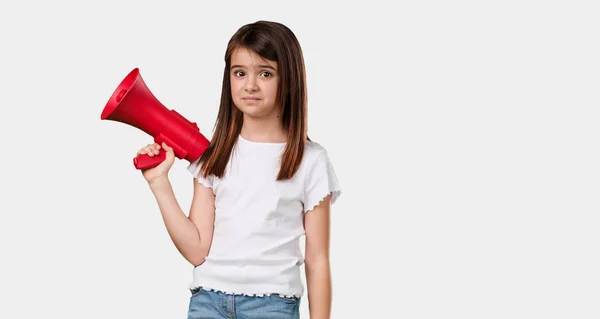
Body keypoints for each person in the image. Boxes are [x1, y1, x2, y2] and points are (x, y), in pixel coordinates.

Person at [136, 20, 341, 319]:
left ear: (290, 79)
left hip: (272, 306)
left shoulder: (311, 161)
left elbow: (318, 259)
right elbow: (197, 250)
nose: (250, 85)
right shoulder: (213, 156)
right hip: (208, 302)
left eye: (266, 73)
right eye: (240, 73)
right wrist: (159, 184)